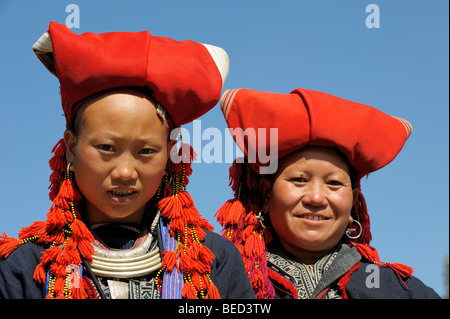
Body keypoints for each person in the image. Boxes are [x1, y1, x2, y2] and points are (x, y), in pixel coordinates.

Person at [0, 21, 255, 299]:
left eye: (146, 151)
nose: (124, 172)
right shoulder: (27, 268)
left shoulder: (213, 260)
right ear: (72, 147)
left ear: (170, 153)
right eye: (106, 148)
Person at [215, 87, 440, 299]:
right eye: (299, 180)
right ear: (266, 195)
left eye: (333, 183)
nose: (316, 198)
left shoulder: (397, 289)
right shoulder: (220, 277)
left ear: (353, 202)